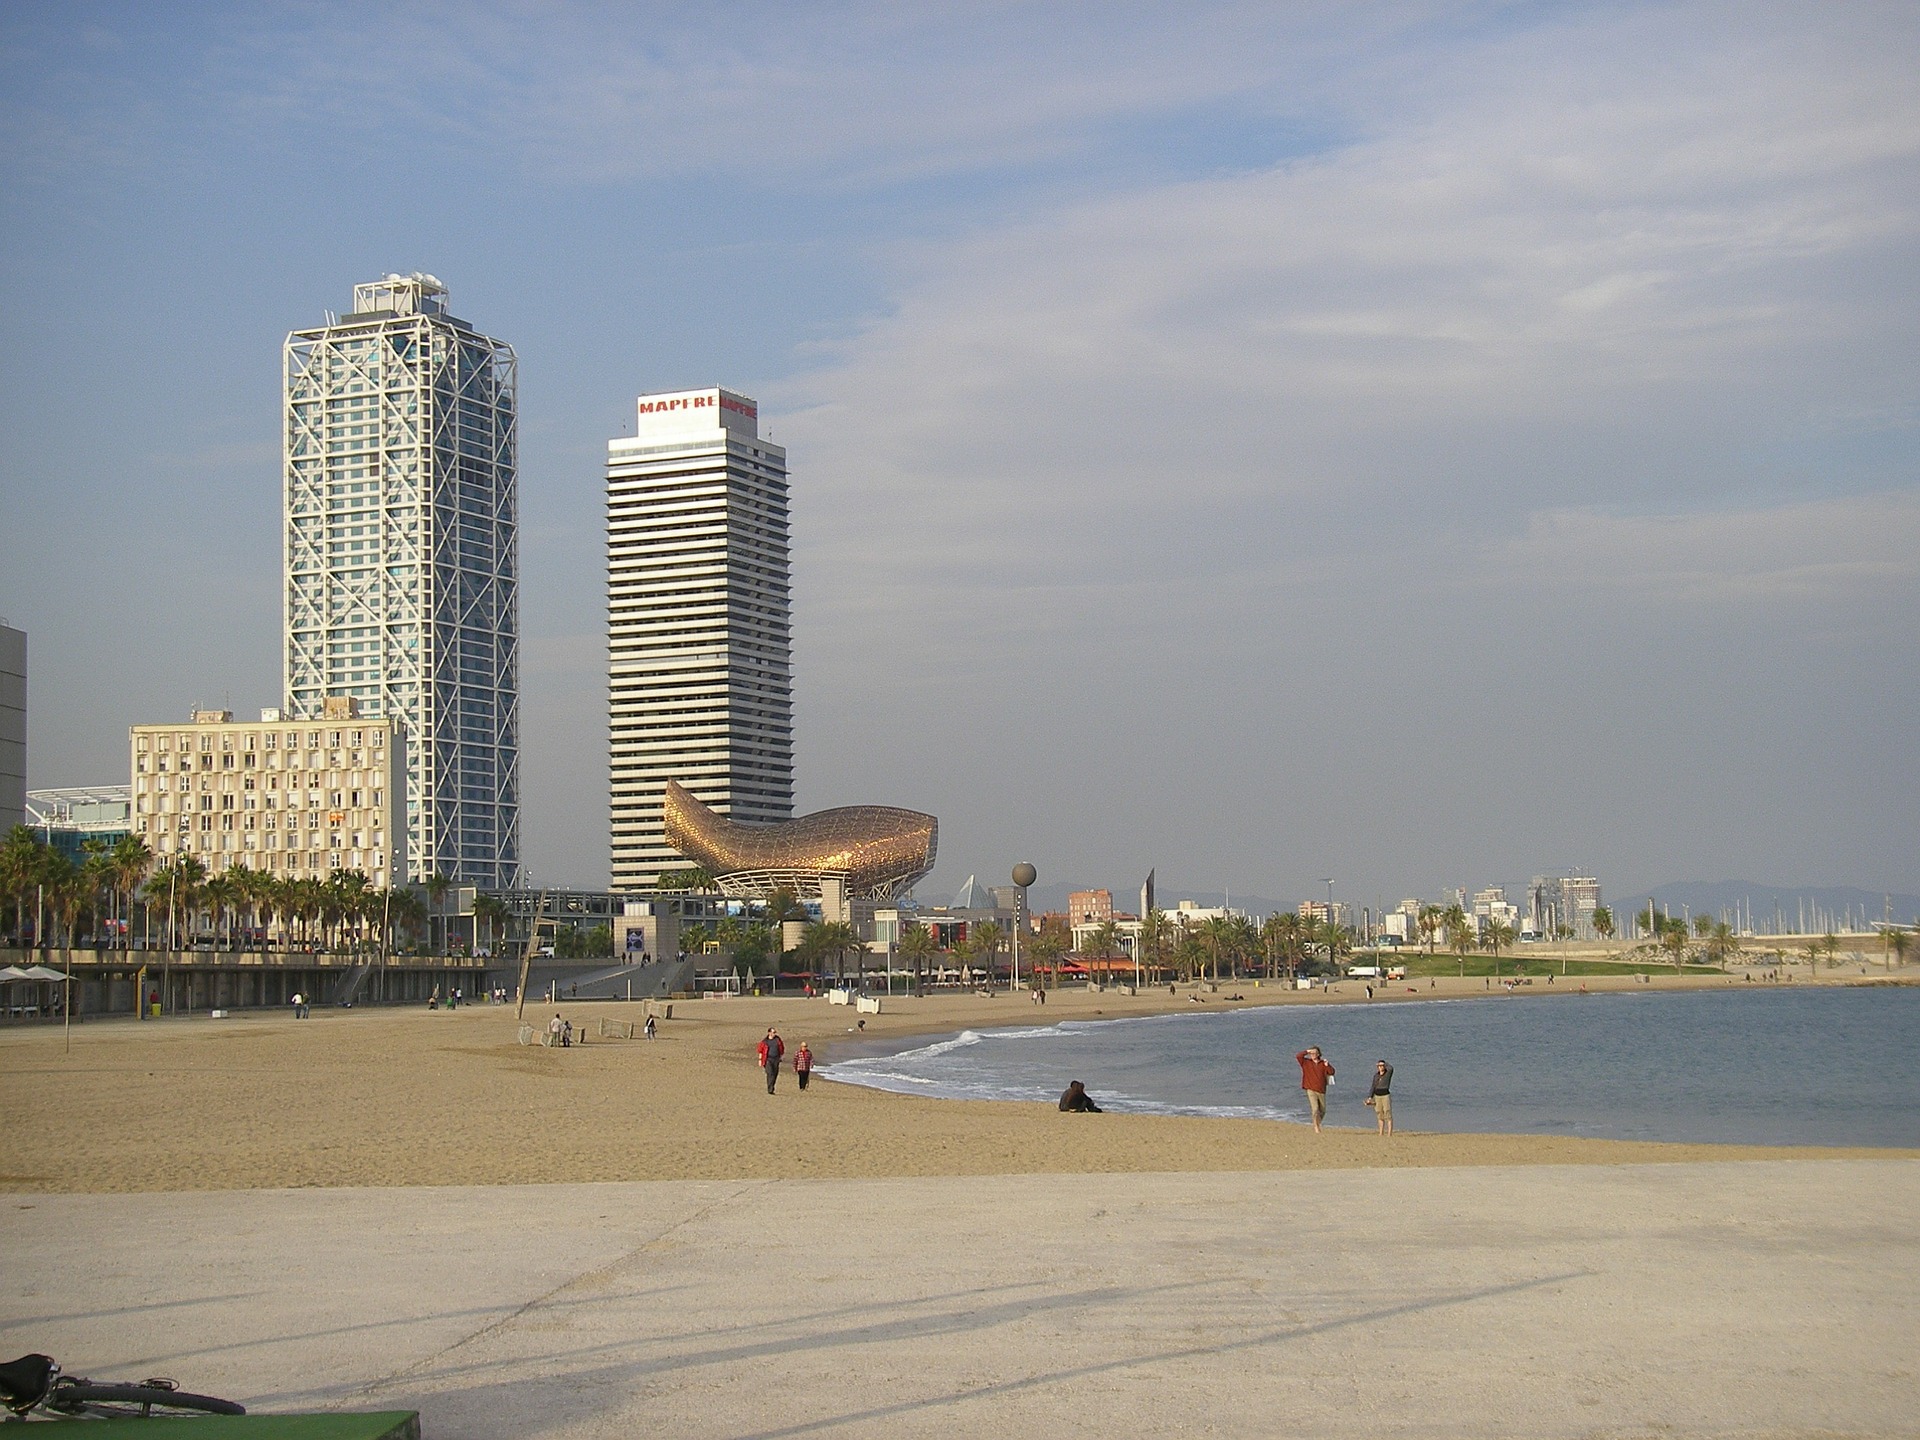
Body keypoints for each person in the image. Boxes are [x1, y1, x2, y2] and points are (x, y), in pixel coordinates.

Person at [1296, 1046, 1334, 1132]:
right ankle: (1316, 1127)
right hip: (1310, 1089)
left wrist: (1327, 1065)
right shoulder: (1306, 1062)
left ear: (1318, 1054)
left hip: (1321, 1090)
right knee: (1315, 1109)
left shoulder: (1322, 1063)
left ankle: (1316, 1123)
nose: (1313, 1055)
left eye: (1314, 1053)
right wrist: (1307, 1051)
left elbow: (1331, 1072)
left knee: (1323, 1110)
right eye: (1311, 1053)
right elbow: (1298, 1056)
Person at [1365, 1058, 1394, 1135]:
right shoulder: (1376, 1076)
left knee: (1387, 1113)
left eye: (1382, 1066)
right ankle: (1381, 1132)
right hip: (1377, 1096)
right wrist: (1370, 1097)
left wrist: (1384, 1063)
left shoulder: (1387, 1074)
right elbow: (1373, 1086)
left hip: (1385, 1095)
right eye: (1379, 1066)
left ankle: (1389, 1133)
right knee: (1379, 1114)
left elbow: (1391, 1068)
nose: (1380, 1067)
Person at [758, 1027, 785, 1093]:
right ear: (769, 1033)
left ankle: (772, 1087)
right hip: (768, 1059)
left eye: (775, 1032)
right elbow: (760, 1051)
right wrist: (760, 1060)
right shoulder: (765, 1041)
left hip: (776, 1059)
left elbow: (781, 1049)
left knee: (775, 1074)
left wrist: (781, 1057)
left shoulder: (778, 1040)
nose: (774, 1034)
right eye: (773, 1032)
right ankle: (770, 1089)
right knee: (770, 1073)